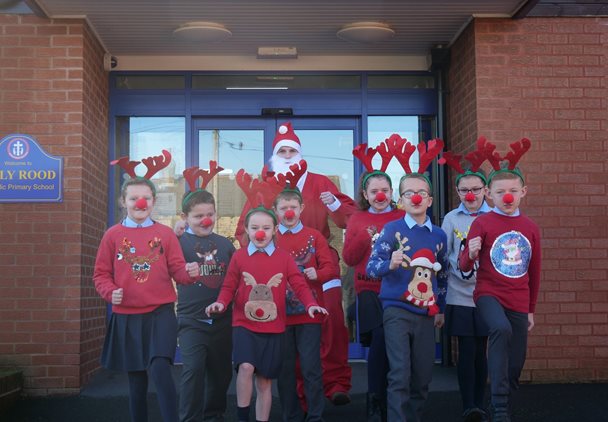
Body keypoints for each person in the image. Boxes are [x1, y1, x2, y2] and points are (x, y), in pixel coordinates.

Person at [235, 122, 357, 404]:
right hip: (279, 268)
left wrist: (336, 205)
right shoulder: (264, 189)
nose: (288, 154)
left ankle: (336, 383)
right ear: (275, 155)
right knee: (291, 331)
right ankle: (301, 394)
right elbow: (244, 230)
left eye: (292, 150)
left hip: (321, 264)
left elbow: (349, 220)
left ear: (300, 154)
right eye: (283, 150)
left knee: (332, 322)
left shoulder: (321, 182)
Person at [206, 178, 328, 422]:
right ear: (248, 230)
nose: (260, 233)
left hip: (275, 326)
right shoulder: (240, 257)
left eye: (265, 228)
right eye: (254, 228)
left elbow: (299, 284)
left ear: (274, 230)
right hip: (244, 323)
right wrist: (221, 302)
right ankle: (244, 417)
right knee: (246, 367)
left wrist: (312, 304)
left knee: (265, 379)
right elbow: (229, 285)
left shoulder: (284, 256)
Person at [94, 151, 199, 422]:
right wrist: (110, 292)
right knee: (137, 381)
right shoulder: (112, 235)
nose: (140, 203)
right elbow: (101, 275)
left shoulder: (164, 234)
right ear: (123, 202)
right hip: (127, 317)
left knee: (161, 370)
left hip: (160, 314)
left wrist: (189, 273)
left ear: (153, 202)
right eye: (133, 198)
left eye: (146, 198)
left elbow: (177, 269)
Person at [460, 138, 541, 422]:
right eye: (500, 192)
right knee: (500, 329)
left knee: (516, 362)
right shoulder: (481, 223)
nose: (507, 197)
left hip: (518, 298)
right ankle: (499, 408)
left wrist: (530, 309)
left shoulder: (530, 227)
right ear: (488, 195)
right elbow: (463, 265)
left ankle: (505, 390)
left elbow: (534, 271)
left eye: (513, 191)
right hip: (488, 293)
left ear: (523, 193)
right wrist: (470, 254)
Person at [367, 165, 448, 421]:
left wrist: (441, 309)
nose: (416, 197)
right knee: (399, 373)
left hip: (426, 314)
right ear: (400, 200)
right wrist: (389, 264)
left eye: (421, 192)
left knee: (422, 376)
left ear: (430, 200)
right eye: (409, 193)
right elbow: (372, 266)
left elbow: (442, 274)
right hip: (396, 310)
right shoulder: (391, 230)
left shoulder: (439, 235)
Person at [343, 141, 405, 422]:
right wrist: (364, 236)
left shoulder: (402, 216)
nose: (380, 195)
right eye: (374, 191)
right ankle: (375, 401)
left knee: (393, 348)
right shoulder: (356, 218)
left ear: (392, 193)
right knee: (380, 342)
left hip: (396, 290)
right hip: (368, 290)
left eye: (385, 190)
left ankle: (389, 400)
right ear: (365, 194)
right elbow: (349, 257)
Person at [176, 163, 236, 422]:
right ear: (185, 217)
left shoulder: (225, 245)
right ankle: (189, 418)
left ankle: (214, 415)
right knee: (193, 371)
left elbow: (235, 281)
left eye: (209, 214)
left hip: (223, 322)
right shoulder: (176, 243)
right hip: (192, 321)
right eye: (198, 216)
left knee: (221, 374)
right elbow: (156, 257)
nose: (205, 220)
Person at [274, 186, 340, 422]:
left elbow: (331, 268)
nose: (288, 212)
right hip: (279, 316)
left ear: (301, 208)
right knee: (285, 370)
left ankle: (315, 415)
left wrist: (318, 274)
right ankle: (291, 416)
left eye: (293, 207)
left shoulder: (314, 236)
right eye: (283, 208)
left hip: (310, 315)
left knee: (311, 368)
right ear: (276, 211)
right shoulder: (270, 237)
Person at [440, 163, 492, 422]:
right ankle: (468, 404)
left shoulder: (494, 216)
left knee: (482, 350)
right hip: (459, 294)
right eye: (464, 190)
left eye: (475, 189)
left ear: (485, 190)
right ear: (458, 192)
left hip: (486, 295)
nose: (470, 195)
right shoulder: (451, 218)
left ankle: (479, 404)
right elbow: (445, 251)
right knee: (466, 349)